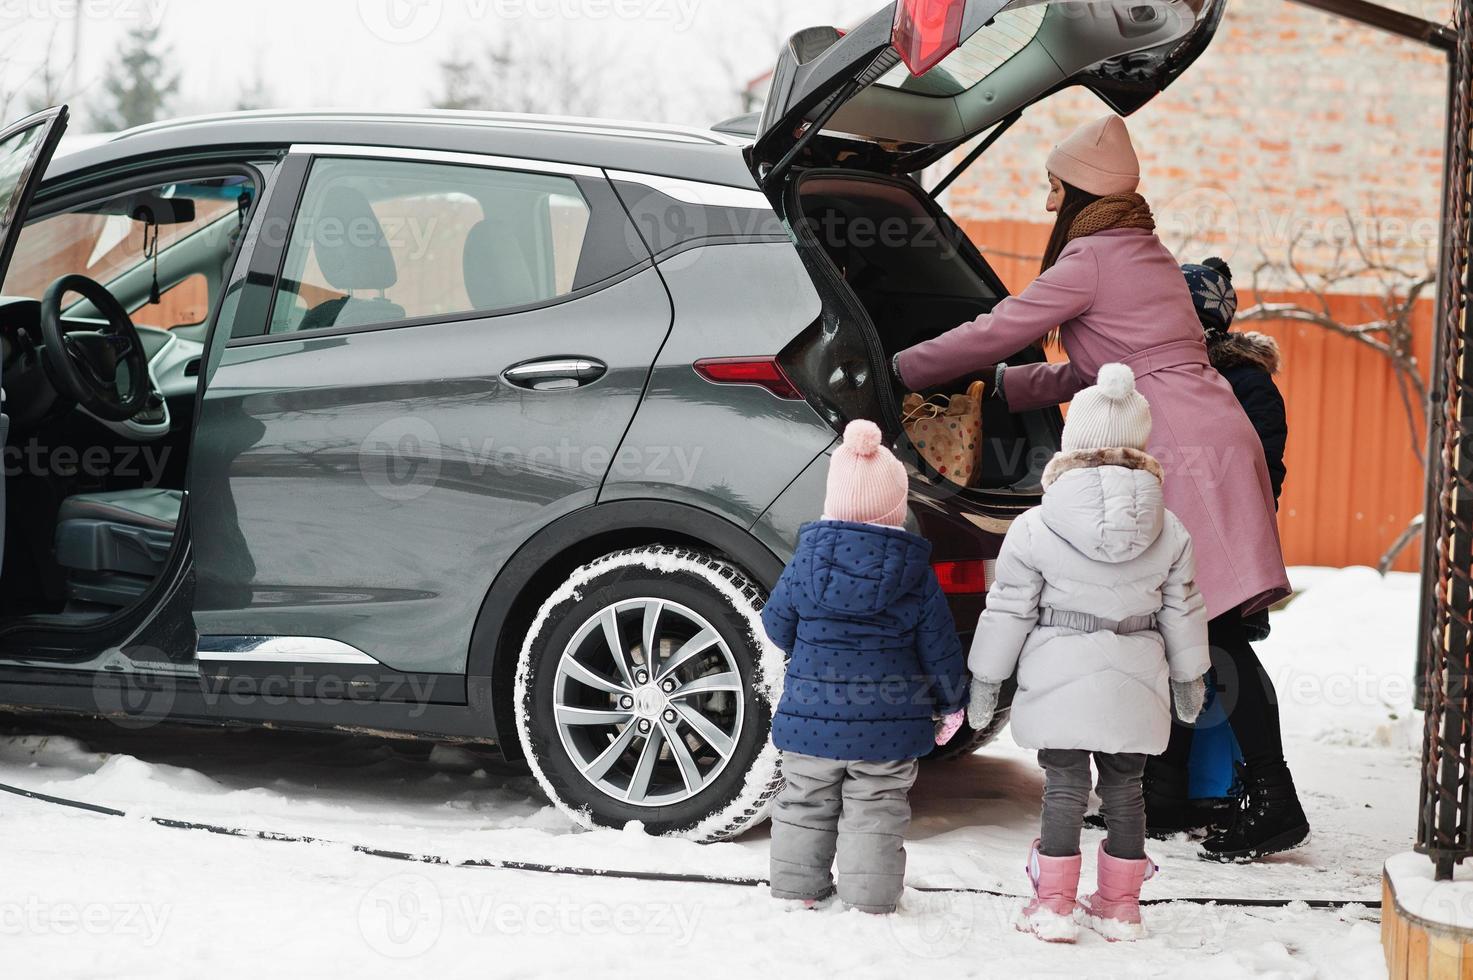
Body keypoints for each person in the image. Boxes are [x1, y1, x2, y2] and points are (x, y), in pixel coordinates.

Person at [893, 114, 1307, 862]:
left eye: (1054, 187)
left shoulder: (1093, 256)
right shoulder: (1144, 252)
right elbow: (1100, 372)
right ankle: (1169, 793)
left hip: (1182, 444)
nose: (1048, 203)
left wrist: (905, 367)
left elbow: (1001, 324)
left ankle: (1273, 801)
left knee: (1208, 627)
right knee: (1178, 619)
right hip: (1204, 430)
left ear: (1081, 189)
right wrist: (1004, 387)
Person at [967, 364, 1210, 942]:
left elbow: (1008, 610)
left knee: (1065, 786)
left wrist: (985, 679)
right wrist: (1189, 676)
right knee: (1126, 788)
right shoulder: (1170, 528)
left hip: (1060, 672)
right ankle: (1121, 907)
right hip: (1137, 673)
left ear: (1074, 440)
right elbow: (1184, 608)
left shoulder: (1035, 525)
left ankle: (1053, 905)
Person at [762, 420, 968, 914]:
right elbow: (938, 646)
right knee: (877, 807)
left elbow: (776, 625)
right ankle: (871, 900)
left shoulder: (805, 563)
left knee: (804, 801)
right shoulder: (913, 574)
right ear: (895, 508)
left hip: (811, 720)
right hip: (888, 726)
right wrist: (951, 702)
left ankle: (797, 891)